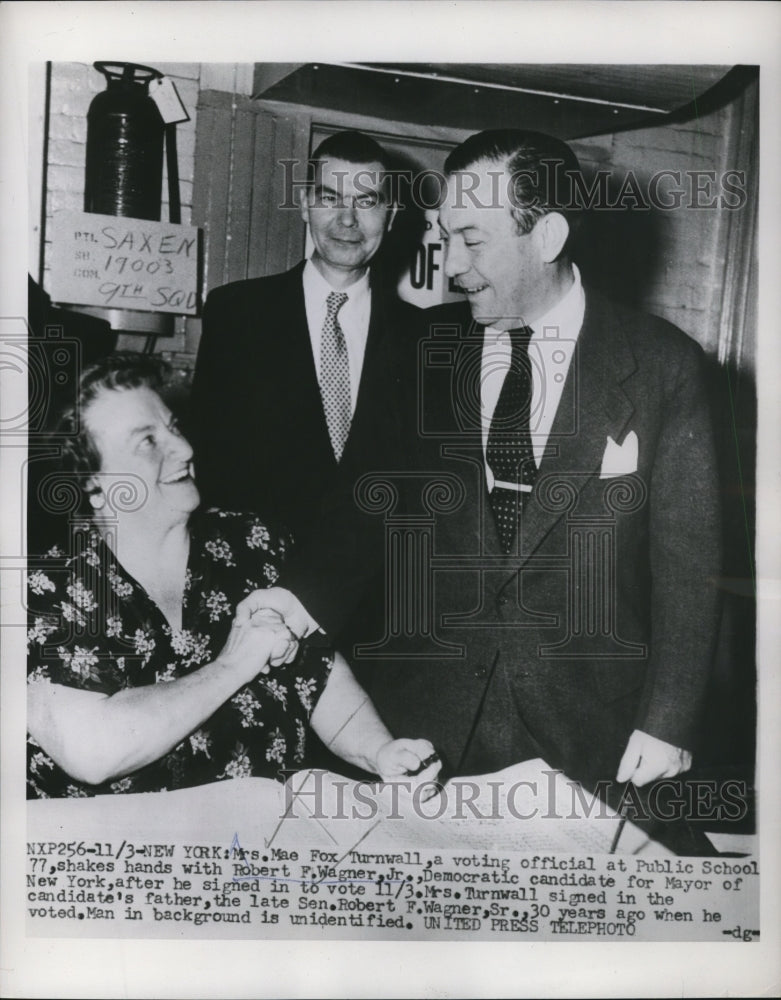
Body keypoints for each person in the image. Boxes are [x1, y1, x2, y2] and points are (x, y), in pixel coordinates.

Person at [260, 129, 722, 801]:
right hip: (419, 728)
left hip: (591, 733)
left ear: (547, 236)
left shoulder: (661, 366)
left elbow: (689, 567)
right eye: (443, 237)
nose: (450, 266)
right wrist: (289, 603)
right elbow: (358, 513)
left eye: (471, 240)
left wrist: (667, 721)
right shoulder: (417, 351)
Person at [26, 353, 439, 798]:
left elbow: (316, 676)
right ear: (91, 481)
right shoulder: (45, 588)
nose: (184, 449)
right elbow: (92, 750)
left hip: (263, 848)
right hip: (122, 860)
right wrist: (232, 665)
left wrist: (380, 752)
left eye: (174, 427)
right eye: (148, 441)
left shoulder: (253, 542)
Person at [190, 129, 419, 545]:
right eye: (330, 198)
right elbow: (209, 459)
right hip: (256, 578)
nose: (347, 220)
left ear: (392, 213)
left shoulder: (420, 336)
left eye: (366, 202)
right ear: (304, 205)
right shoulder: (236, 313)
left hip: (377, 590)